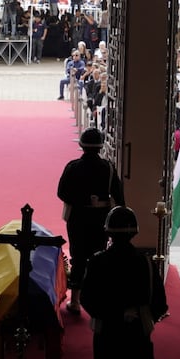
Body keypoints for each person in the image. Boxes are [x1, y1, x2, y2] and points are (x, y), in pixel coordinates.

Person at [81, 206, 168, 359]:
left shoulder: (97, 262)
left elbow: (87, 299)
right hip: (137, 333)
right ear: (134, 232)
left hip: (106, 332)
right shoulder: (146, 264)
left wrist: (113, 315)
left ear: (108, 232)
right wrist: (139, 315)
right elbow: (160, 304)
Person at [57, 127, 125, 314]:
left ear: (82, 146)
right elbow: (119, 196)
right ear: (101, 146)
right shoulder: (108, 168)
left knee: (78, 257)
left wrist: (81, 200)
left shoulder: (72, 167)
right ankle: (99, 297)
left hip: (78, 218)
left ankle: (76, 301)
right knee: (99, 255)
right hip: (101, 218)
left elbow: (61, 192)